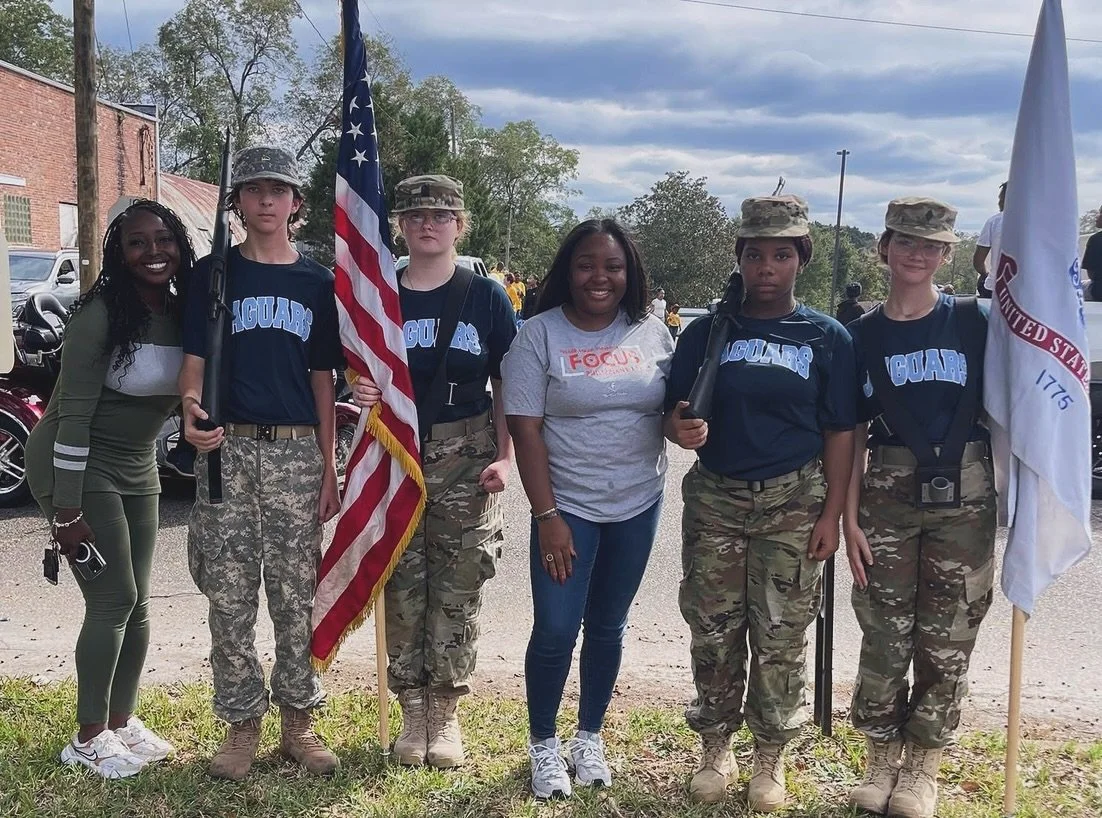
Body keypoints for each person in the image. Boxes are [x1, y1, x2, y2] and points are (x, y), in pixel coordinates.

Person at [665, 195, 856, 811]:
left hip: (795, 501)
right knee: (714, 630)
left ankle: (769, 758)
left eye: (780, 254)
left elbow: (840, 431)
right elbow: (675, 411)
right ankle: (715, 749)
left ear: (801, 258)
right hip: (717, 498)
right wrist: (681, 429)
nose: (766, 267)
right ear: (740, 259)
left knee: (781, 634)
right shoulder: (707, 331)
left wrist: (831, 515)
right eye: (754, 255)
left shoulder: (826, 337)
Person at [179, 145, 344, 781]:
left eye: (278, 190)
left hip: (298, 450)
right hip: (230, 447)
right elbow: (194, 359)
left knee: (294, 594)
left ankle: (299, 721)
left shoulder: (315, 282)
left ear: (296, 203)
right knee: (228, 595)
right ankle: (241, 724)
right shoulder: (212, 274)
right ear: (238, 202)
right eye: (253, 190)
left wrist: (330, 465)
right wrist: (191, 412)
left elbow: (322, 376)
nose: (266, 201)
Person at [502, 219, 673, 800]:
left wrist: (686, 425)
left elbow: (671, 410)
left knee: (608, 626)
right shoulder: (537, 336)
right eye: (586, 265)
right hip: (566, 506)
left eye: (613, 266)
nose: (600, 276)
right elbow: (524, 431)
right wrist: (547, 517)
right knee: (554, 628)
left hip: (638, 503)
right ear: (566, 272)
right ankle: (544, 745)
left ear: (631, 274)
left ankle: (589, 736)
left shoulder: (652, 333)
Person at [350, 174, 516, 769]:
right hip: (397, 454)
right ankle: (411, 710)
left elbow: (508, 383)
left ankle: (444, 712)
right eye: (416, 215)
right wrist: (358, 384)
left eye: (441, 216)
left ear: (460, 225)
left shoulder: (486, 297)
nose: (428, 224)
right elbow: (351, 361)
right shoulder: (379, 293)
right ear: (399, 224)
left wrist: (504, 455)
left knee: (458, 587)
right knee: (402, 585)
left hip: (466, 455)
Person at [25, 201, 195, 778]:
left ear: (181, 243)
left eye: (164, 239)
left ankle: (122, 722)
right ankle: (88, 736)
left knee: (139, 601)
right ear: (117, 254)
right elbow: (71, 417)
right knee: (112, 598)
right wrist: (66, 509)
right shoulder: (100, 314)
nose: (153, 252)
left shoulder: (182, 313)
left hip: (135, 463)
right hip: (75, 462)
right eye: (137, 243)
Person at [843, 198, 996, 818]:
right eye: (905, 241)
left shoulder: (972, 322)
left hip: (967, 483)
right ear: (884, 249)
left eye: (931, 245)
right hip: (888, 485)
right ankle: (881, 756)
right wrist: (848, 517)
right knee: (884, 627)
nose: (917, 254)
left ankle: (923, 766)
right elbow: (850, 433)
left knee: (950, 630)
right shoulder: (859, 335)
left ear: (947, 254)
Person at [972, 182, 1006, 297]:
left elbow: (978, 260)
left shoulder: (994, 222)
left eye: (1000, 198)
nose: (999, 203)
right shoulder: (1037, 223)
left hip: (995, 288)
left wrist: (984, 273)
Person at [1082, 207, 1102, 301]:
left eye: (1099, 213)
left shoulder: (1095, 239)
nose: (1096, 217)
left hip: (1098, 291)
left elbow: (1091, 274)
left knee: (1071, 289)